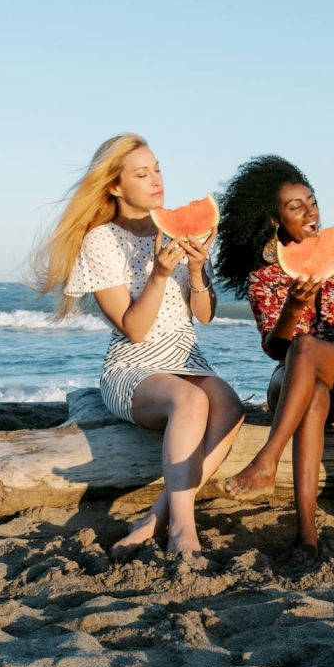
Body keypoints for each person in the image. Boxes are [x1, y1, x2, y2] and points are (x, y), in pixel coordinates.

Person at [32, 134, 245, 559]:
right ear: (114, 185)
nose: (156, 180)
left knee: (231, 405)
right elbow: (133, 329)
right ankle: (183, 529)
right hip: (133, 368)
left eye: (158, 169)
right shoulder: (101, 241)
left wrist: (199, 271)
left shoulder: (178, 230)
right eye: (142, 173)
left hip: (186, 357)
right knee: (191, 401)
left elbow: (204, 315)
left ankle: (156, 516)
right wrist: (160, 275)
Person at [212, 156, 334, 559]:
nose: (311, 212)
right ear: (275, 220)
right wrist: (292, 310)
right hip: (293, 381)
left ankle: (266, 460)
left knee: (307, 346)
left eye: (312, 201)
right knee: (311, 392)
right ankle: (307, 537)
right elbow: (274, 348)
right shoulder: (265, 274)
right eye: (296, 207)